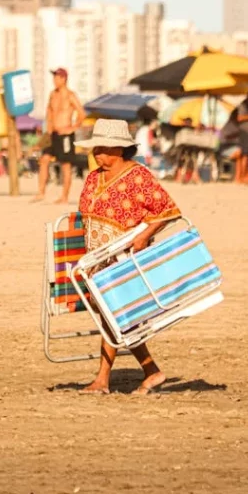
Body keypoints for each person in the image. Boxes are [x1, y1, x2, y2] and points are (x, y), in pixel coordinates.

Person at [74, 119, 182, 395]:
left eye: (104, 148)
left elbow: (168, 211)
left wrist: (143, 236)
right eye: (95, 148)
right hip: (96, 261)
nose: (97, 153)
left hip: (124, 260)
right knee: (117, 319)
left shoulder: (138, 176)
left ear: (120, 149)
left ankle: (105, 379)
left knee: (115, 317)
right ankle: (149, 371)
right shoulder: (93, 177)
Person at [33, 68, 85, 204]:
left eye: (57, 78)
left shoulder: (70, 95)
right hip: (53, 134)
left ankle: (64, 197)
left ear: (64, 79)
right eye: (53, 78)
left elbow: (82, 114)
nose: (54, 80)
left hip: (66, 135)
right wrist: (46, 130)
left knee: (65, 165)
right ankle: (40, 192)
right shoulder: (52, 94)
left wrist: (73, 127)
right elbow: (49, 112)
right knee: (44, 160)